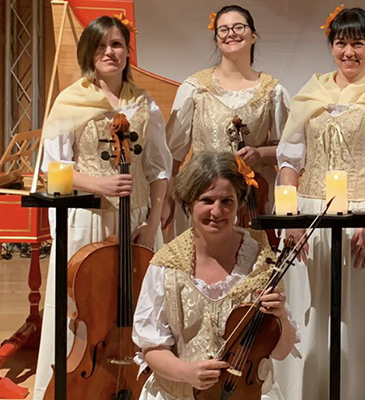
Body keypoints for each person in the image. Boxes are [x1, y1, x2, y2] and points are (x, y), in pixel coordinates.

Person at [33, 15, 172, 400]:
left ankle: (137, 386)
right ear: (87, 53)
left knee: (140, 309)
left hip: (137, 222)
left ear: (127, 51)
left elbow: (159, 168)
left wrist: (153, 221)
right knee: (83, 312)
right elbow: (52, 167)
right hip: (88, 220)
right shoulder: (70, 100)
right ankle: (74, 388)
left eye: (116, 44)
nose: (109, 52)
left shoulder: (144, 104)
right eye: (100, 46)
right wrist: (99, 184)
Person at [275, 6, 365, 400]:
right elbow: (289, 162)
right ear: (331, 45)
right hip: (310, 215)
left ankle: (362, 393)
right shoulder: (308, 96)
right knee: (310, 307)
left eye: (358, 44)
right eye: (341, 43)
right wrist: (290, 220)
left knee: (362, 310)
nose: (349, 52)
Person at [133, 151, 297, 400]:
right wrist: (187, 372)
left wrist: (281, 315)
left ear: (239, 203)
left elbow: (281, 351)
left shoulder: (261, 260)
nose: (217, 211)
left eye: (227, 201)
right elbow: (151, 346)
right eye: (207, 200)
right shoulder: (166, 264)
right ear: (189, 203)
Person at [162, 5, 289, 238]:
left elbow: (287, 150)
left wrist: (259, 154)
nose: (231, 33)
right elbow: (174, 154)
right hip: (201, 192)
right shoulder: (194, 88)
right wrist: (166, 199)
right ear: (216, 39)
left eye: (239, 27)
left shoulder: (274, 90)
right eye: (223, 29)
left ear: (253, 36)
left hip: (254, 198)